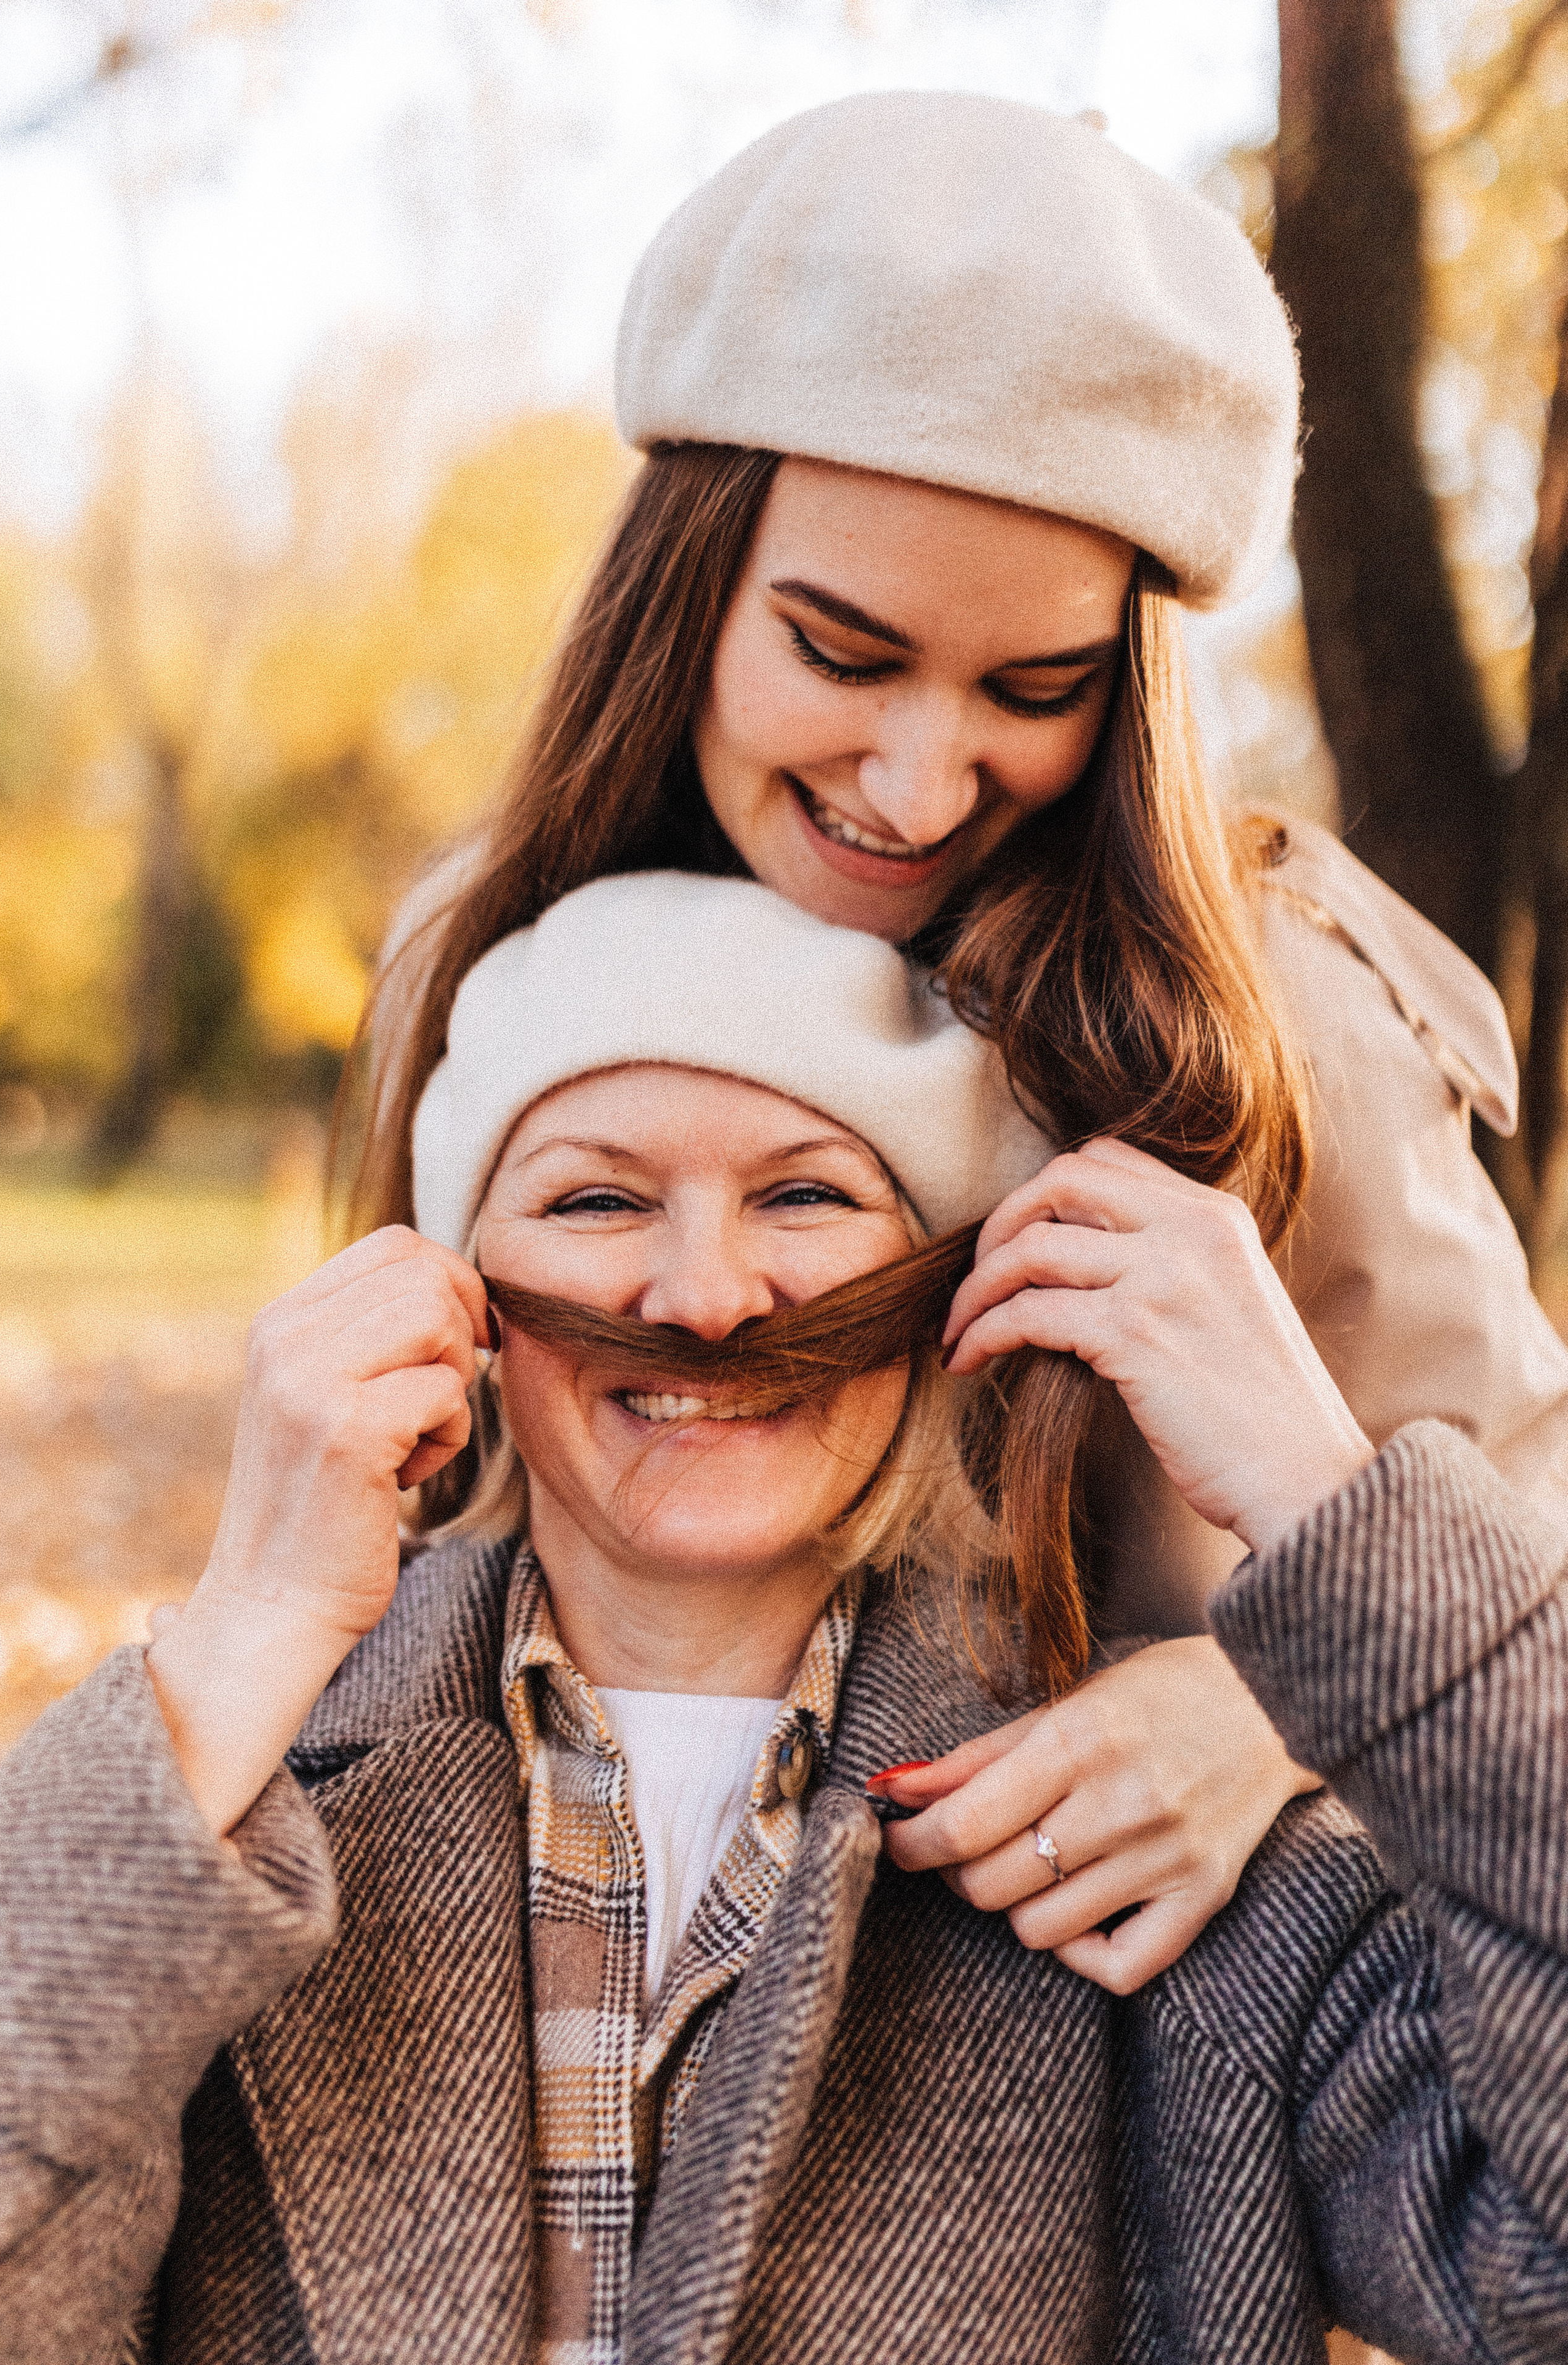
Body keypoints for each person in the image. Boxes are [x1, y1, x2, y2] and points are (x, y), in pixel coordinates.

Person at [0, 871, 1565, 2365]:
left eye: (806, 1194)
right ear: (457, 1295)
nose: (707, 1296)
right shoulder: (224, 1818)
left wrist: (1323, 1505)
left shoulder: (1167, 1853)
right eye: (598, 1201)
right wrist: (247, 1635)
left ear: (948, 1286)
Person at [357, 91, 1568, 1989]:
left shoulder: (1263, 1012)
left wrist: (1265, 1715)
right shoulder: (473, 955)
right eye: (841, 653)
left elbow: (1533, 1513)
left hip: (1148, 2087)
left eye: (1037, 689)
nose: (922, 788)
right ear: (683, 593)